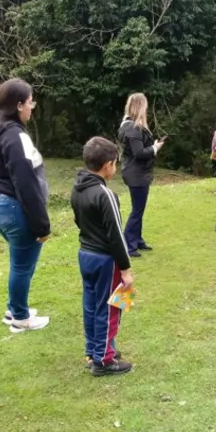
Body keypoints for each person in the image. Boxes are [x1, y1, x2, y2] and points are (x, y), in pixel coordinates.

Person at [0, 78, 51, 331]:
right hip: (13, 208)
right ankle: (20, 317)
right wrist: (42, 224)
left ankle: (15, 308)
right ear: (20, 104)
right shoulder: (13, 135)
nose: (32, 107)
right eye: (31, 102)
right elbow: (25, 182)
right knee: (22, 265)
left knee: (19, 261)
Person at [71, 137, 135, 377]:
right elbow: (116, 236)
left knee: (91, 305)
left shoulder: (77, 189)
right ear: (108, 164)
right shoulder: (105, 194)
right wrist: (125, 270)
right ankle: (104, 360)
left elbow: (80, 222)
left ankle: (94, 350)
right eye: (115, 163)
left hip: (85, 254)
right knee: (110, 308)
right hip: (105, 260)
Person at [119, 93, 164, 257]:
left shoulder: (129, 126)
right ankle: (128, 245)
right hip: (136, 173)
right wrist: (155, 148)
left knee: (139, 209)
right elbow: (138, 153)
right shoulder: (132, 128)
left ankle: (136, 240)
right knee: (137, 210)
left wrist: (152, 147)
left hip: (137, 172)